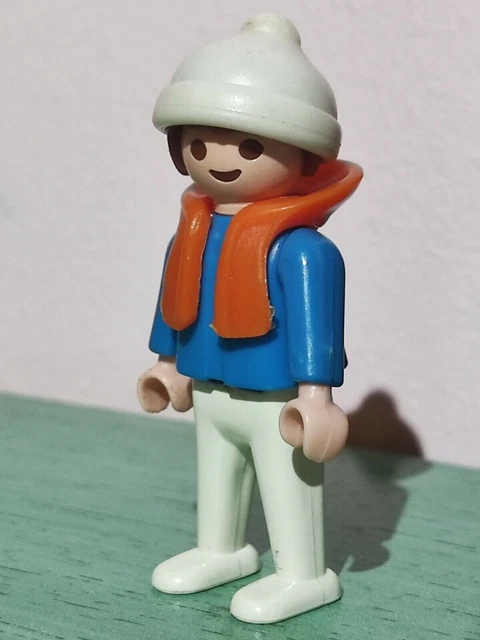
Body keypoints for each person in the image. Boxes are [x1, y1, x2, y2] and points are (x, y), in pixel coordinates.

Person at [137, 13, 363, 624]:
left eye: (251, 147)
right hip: (209, 388)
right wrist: (166, 364)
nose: (219, 160)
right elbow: (173, 303)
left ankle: (303, 575)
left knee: (288, 485)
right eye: (199, 144)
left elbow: (317, 328)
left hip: (276, 400)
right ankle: (221, 550)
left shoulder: (302, 250)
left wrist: (316, 398)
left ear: (306, 156)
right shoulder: (191, 235)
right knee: (216, 477)